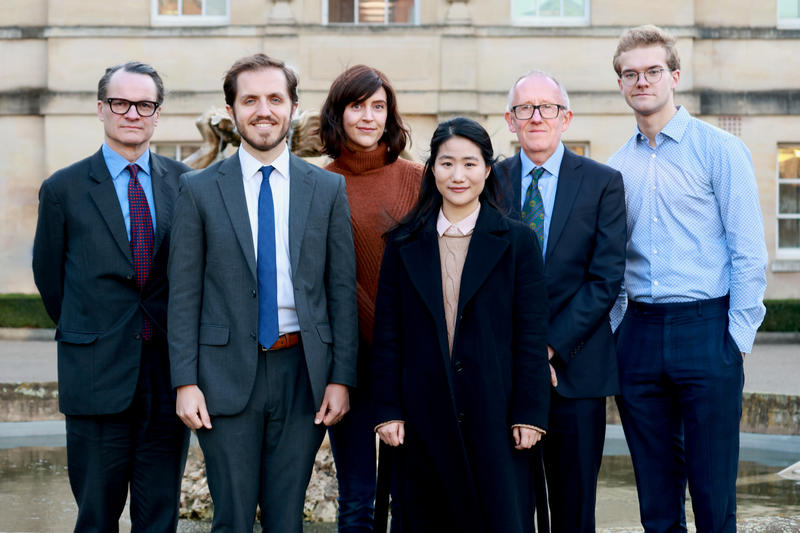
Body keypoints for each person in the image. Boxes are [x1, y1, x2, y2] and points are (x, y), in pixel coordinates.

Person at [167, 53, 358, 533]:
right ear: (231, 111)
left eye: (275, 98)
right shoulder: (199, 189)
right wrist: (184, 381)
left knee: (286, 519)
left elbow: (340, 292)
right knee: (230, 519)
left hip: (303, 377)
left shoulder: (327, 189)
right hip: (223, 375)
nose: (263, 110)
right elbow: (184, 294)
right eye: (249, 100)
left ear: (294, 107)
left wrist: (341, 378)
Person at [608, 25, 768, 533]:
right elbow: (611, 266)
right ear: (621, 85)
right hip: (639, 335)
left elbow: (749, 252)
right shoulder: (616, 169)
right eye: (630, 73)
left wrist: (736, 339)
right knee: (655, 498)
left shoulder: (721, 151)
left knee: (713, 492)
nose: (642, 81)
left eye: (653, 70)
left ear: (674, 76)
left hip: (708, 330)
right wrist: (617, 335)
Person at [371, 117, 551, 533]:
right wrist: (387, 410)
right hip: (422, 415)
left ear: (487, 170)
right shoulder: (402, 245)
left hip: (496, 412)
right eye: (447, 163)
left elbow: (530, 336)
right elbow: (388, 337)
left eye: (470, 164)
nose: (458, 176)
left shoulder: (517, 242)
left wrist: (530, 411)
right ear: (431, 168)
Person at [32, 61, 190, 532]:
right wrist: (95, 332)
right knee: (96, 517)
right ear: (101, 109)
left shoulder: (186, 184)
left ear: (157, 114)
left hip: (167, 379)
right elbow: (50, 282)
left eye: (144, 104)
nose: (132, 113)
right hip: (96, 379)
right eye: (120, 103)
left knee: (160, 518)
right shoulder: (63, 189)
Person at [495, 70, 627, 533]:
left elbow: (605, 279)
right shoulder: (489, 181)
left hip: (576, 374)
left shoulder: (603, 183)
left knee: (574, 512)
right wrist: (521, 357)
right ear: (510, 121)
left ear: (565, 117)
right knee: (512, 510)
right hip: (506, 380)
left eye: (545, 107)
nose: (535, 116)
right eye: (523, 109)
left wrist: (545, 349)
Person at [318, 64, 423, 533]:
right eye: (357, 106)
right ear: (339, 113)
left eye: (378, 106)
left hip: (412, 361)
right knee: (357, 499)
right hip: (350, 364)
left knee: (410, 498)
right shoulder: (317, 186)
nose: (368, 117)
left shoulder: (420, 181)